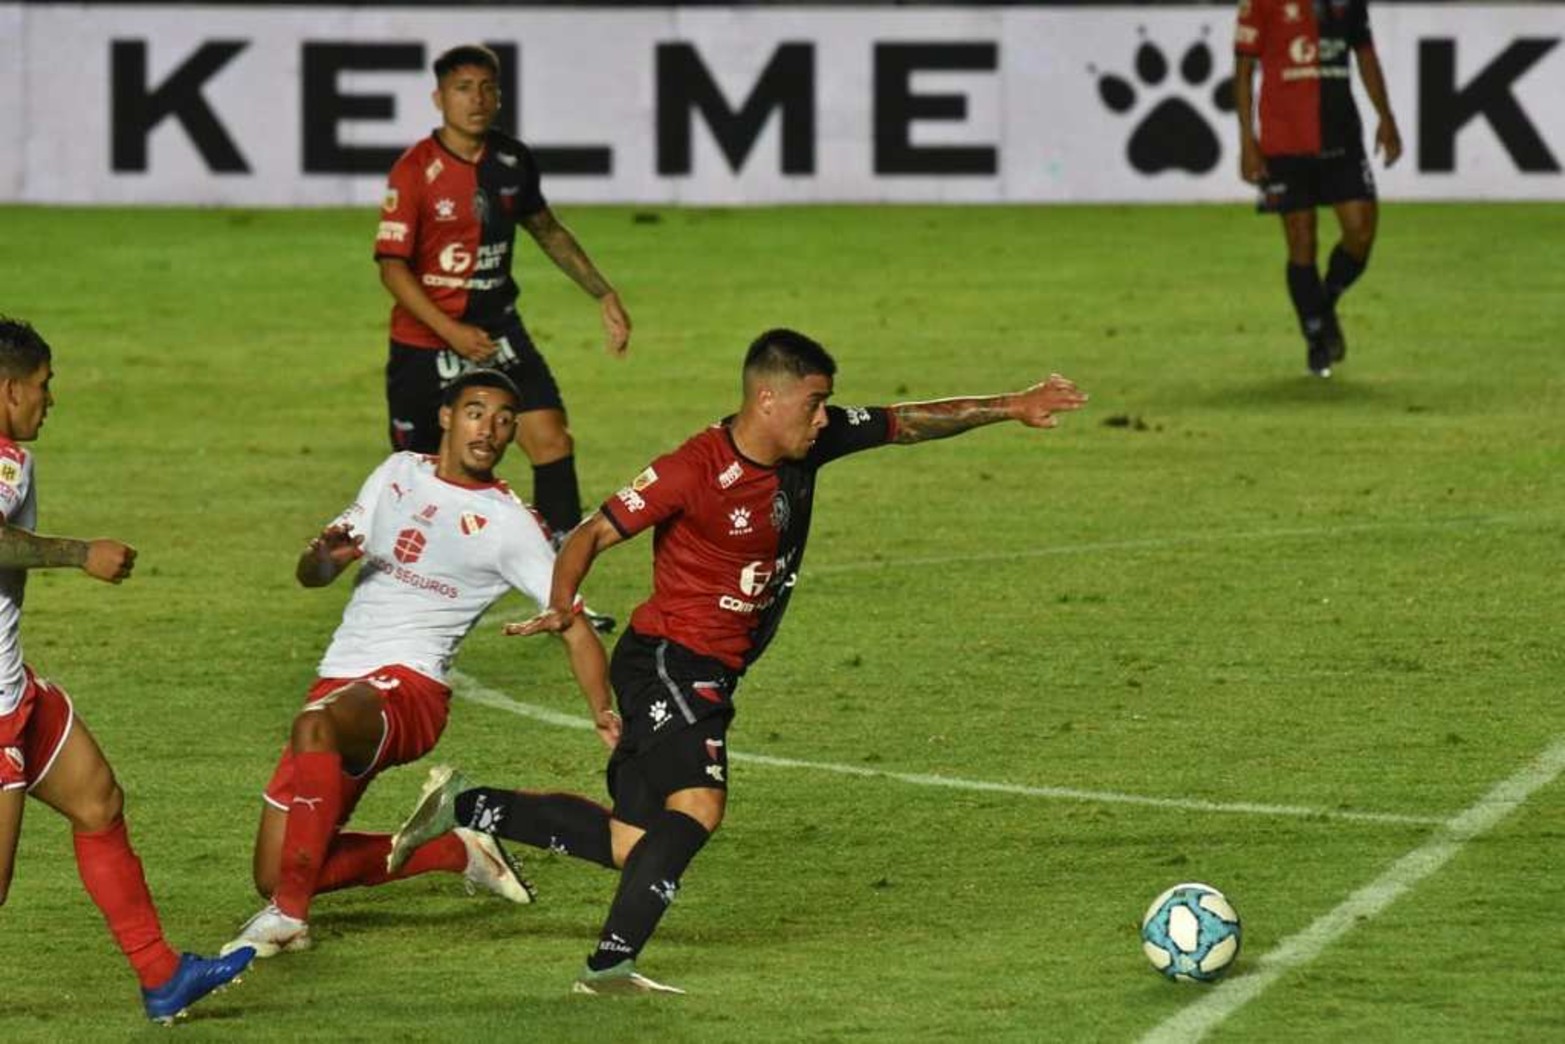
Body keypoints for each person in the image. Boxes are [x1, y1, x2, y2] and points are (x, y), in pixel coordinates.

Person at [386, 329, 1087, 994]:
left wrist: (1012, 406)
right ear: (768, 400)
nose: (823, 418)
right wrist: (562, 600)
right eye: (813, 403)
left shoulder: (809, 443)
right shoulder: (695, 468)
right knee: (699, 806)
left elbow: (907, 421)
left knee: (634, 845)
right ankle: (609, 965)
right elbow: (595, 530)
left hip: (705, 665)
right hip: (670, 659)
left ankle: (466, 804)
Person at [222, 368, 619, 959]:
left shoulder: (510, 523)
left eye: (505, 419)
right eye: (477, 411)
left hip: (410, 692)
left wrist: (604, 711)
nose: (491, 429)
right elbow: (315, 573)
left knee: (315, 728)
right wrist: (323, 560)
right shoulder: (397, 473)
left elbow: (573, 622)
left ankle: (287, 920)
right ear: (447, 416)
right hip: (340, 682)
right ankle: (452, 850)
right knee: (277, 868)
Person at [0, 317, 254, 1023]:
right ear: (8, 388)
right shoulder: (4, 461)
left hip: (14, 689)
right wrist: (81, 554)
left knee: (97, 802)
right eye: (43, 387)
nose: (50, 401)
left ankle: (162, 976)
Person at [375, 43, 630, 635]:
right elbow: (392, 267)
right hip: (425, 342)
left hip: (497, 334)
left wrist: (603, 293)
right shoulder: (415, 171)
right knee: (417, 474)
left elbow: (546, 229)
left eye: (488, 87)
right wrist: (451, 331)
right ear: (439, 98)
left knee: (552, 441)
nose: (478, 100)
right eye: (464, 88)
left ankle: (562, 595)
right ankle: (403, 596)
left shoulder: (512, 160)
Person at [1234, 0, 1402, 378]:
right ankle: (1316, 337)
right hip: (1285, 138)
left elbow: (1365, 55)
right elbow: (1243, 69)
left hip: (1341, 133)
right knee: (1301, 239)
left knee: (1360, 232)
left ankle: (1322, 303)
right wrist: (1248, 139)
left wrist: (1386, 116)